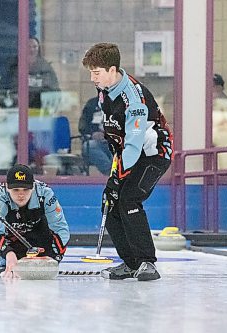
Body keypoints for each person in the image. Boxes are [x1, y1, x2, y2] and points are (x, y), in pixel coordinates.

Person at [82, 43, 173, 281]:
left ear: (113, 69)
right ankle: (131, 263)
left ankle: (147, 263)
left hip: (153, 154)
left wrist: (116, 178)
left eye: (97, 72)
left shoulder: (133, 97)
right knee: (109, 203)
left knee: (128, 198)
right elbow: (117, 135)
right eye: (91, 72)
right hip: (128, 153)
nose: (92, 78)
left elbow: (133, 145)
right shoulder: (103, 91)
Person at [0, 164, 70, 278]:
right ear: (7, 188)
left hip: (39, 234)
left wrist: (53, 257)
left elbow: (61, 229)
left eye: (26, 189)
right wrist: (8, 254)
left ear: (33, 187)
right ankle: (4, 261)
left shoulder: (46, 194)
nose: (21, 194)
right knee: (7, 261)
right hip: (11, 237)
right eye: (16, 190)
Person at [0, 37, 59, 109]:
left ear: (39, 48)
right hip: (17, 112)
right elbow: (0, 90)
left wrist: (50, 108)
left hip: (40, 113)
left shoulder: (46, 68)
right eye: (28, 47)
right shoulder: (13, 68)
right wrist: (8, 106)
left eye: (34, 47)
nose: (31, 50)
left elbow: (55, 91)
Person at [78, 96, 113, 175]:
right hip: (96, 142)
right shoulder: (92, 104)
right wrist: (92, 134)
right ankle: (110, 172)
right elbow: (82, 126)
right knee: (90, 146)